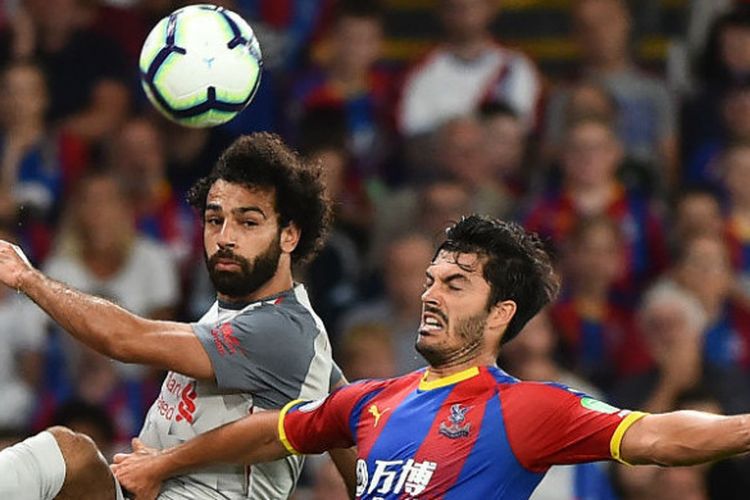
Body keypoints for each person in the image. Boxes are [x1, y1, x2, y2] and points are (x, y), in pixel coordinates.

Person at [111, 214, 750, 499]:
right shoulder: (370, 400)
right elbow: (266, 435)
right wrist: (165, 464)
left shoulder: (527, 409)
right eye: (430, 280)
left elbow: (661, 437)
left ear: (501, 314)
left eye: (454, 283)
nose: (429, 294)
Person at [0, 132, 350, 499]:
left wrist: (28, 278)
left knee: (68, 452)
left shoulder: (282, 327)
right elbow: (345, 417)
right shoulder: (274, 329)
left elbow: (126, 339)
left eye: (248, 222)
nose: (225, 237)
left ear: (289, 235)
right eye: (215, 221)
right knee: (73, 456)